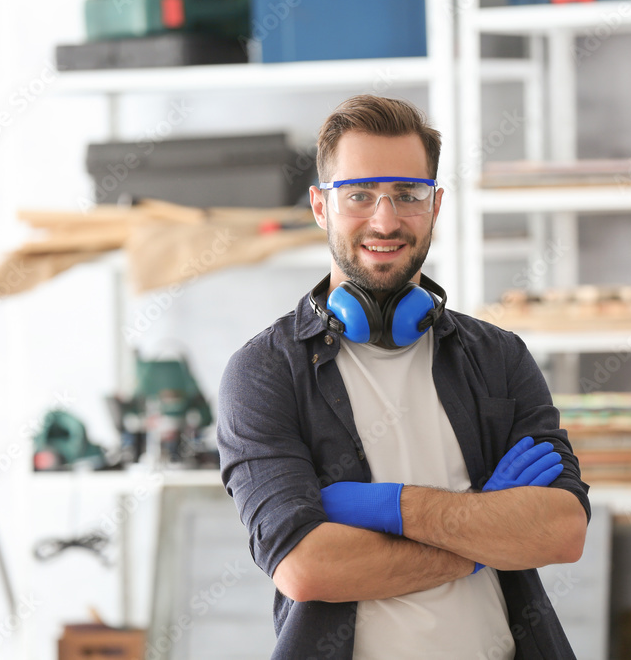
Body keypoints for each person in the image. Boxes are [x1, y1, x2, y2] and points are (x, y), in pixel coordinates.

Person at [217, 94, 590, 660]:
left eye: (408, 195)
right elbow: (306, 567)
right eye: (359, 195)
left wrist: (389, 507)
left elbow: (562, 531)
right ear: (320, 206)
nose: (385, 219)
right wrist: (484, 529)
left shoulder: (497, 357)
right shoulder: (266, 373)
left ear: (435, 204)